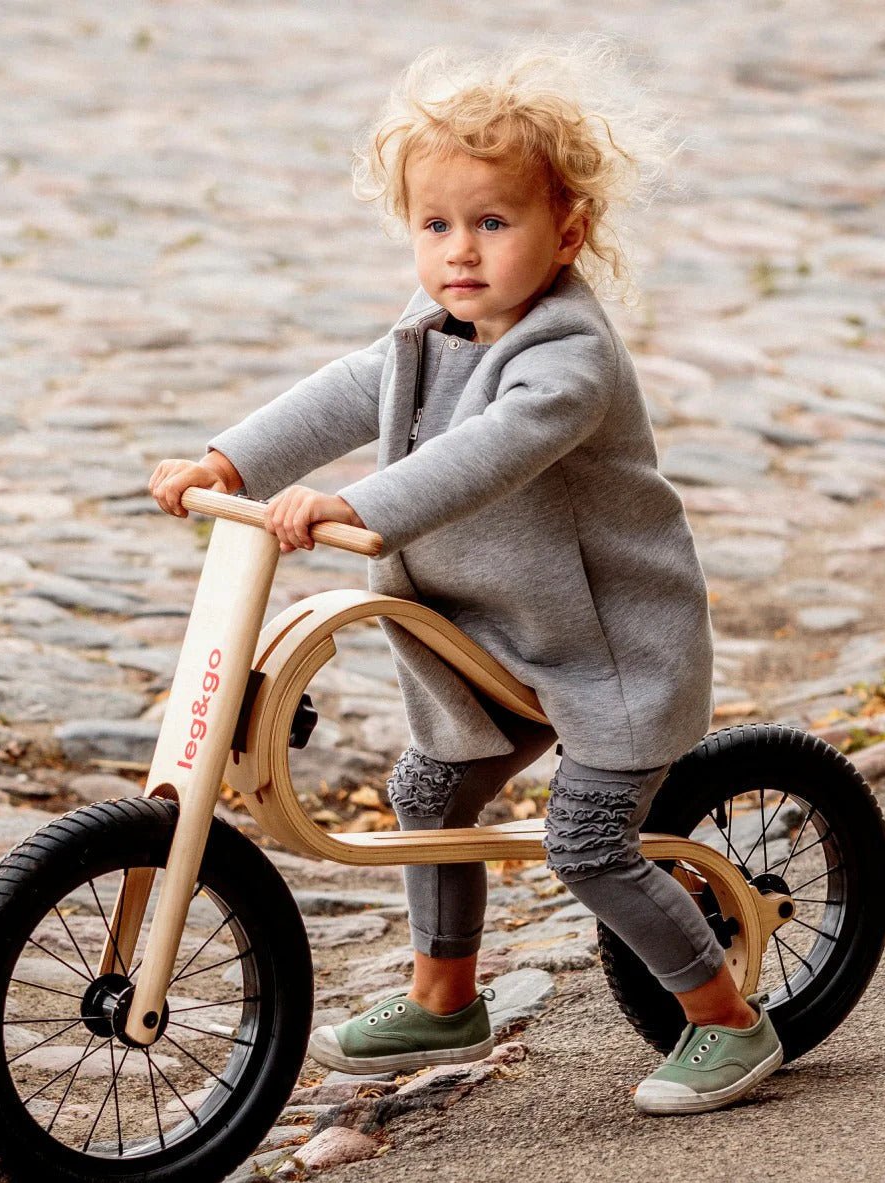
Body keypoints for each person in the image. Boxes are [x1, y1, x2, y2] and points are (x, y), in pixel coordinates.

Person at [149, 40, 781, 1115]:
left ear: (566, 231)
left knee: (586, 843)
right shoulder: (428, 328)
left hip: (605, 648)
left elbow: (486, 447)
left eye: (493, 223)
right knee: (427, 793)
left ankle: (727, 1018)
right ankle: (444, 995)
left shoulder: (566, 359)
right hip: (489, 638)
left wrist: (358, 503)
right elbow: (350, 389)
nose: (460, 252)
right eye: (435, 225)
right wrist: (233, 461)